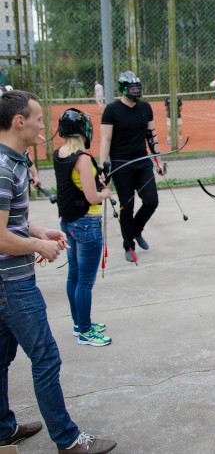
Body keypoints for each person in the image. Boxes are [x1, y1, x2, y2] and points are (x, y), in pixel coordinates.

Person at [0, 90, 116, 453]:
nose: (42, 127)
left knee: (2, 358)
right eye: (37, 119)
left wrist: (37, 231)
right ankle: (68, 440)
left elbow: (11, 222)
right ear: (19, 121)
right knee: (46, 357)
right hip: (12, 284)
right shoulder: (4, 169)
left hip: (9, 281)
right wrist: (38, 246)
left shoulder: (14, 162)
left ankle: (4, 427)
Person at [53, 108, 112, 347]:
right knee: (85, 281)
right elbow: (91, 197)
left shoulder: (60, 153)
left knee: (74, 275)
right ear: (84, 130)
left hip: (68, 222)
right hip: (87, 223)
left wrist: (97, 180)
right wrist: (105, 192)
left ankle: (80, 323)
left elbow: (72, 185)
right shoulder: (83, 158)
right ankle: (86, 331)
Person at [99, 71, 165, 263]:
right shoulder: (111, 110)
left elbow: (151, 135)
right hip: (122, 165)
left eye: (138, 88)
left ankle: (136, 230)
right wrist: (104, 168)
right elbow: (105, 139)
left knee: (151, 201)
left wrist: (157, 161)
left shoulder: (145, 107)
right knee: (126, 207)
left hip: (142, 162)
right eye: (132, 88)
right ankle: (129, 245)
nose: (136, 91)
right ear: (123, 89)